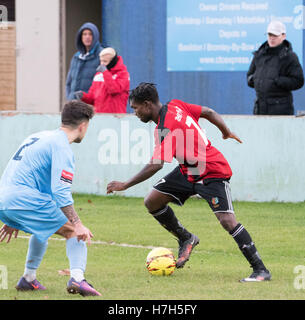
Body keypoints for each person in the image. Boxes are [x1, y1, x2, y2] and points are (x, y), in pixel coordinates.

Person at [107, 82, 271, 282]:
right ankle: (186, 237)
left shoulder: (165, 127)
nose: (135, 113)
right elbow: (209, 112)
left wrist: (124, 185)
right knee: (152, 201)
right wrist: (225, 131)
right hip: (189, 169)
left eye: (136, 108)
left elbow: (156, 165)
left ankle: (260, 270)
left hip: (211, 170)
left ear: (147, 104)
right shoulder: (175, 105)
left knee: (227, 221)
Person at [0, 100, 101, 296]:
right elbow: (61, 192)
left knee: (43, 229)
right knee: (73, 231)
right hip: (21, 199)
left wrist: (12, 213)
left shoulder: (38, 136)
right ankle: (78, 279)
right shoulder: (62, 147)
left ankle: (28, 279)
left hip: (5, 198)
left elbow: (21, 174)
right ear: (83, 126)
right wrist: (77, 223)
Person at [247, 20, 304, 115]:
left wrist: (278, 81)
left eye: (275, 35)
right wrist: (255, 79)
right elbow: (249, 76)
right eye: (270, 35)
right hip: (260, 109)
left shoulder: (290, 56)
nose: (272, 38)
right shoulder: (259, 54)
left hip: (281, 110)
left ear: (283, 36)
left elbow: (298, 81)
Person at [75, 47, 130, 113]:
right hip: (100, 115)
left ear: (113, 61)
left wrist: (105, 72)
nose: (102, 64)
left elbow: (114, 90)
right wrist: (83, 96)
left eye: (105, 61)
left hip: (116, 116)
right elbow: (93, 98)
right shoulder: (99, 74)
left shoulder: (123, 74)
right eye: (101, 61)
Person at [66, 22, 104, 100]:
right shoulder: (76, 57)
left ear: (95, 36)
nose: (87, 37)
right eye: (84, 34)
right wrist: (69, 97)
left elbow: (104, 84)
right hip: (74, 104)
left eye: (90, 34)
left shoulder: (102, 55)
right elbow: (69, 82)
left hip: (91, 105)